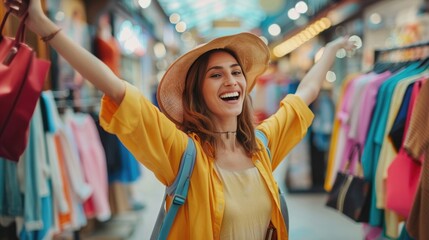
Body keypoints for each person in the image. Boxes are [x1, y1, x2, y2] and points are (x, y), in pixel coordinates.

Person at [4, 0, 357, 239]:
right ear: (197, 93)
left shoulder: (262, 148)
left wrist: (330, 50)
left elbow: (305, 93)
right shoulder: (183, 153)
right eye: (216, 75)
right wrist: (44, 27)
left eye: (236, 72)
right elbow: (116, 89)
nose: (231, 81)